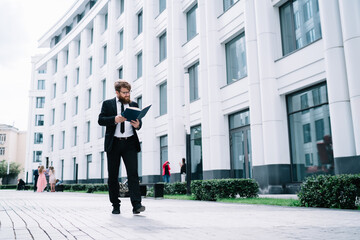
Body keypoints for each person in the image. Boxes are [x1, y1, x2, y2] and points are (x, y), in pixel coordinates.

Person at [98, 80, 145, 215]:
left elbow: (139, 122)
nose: (127, 95)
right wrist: (114, 119)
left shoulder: (134, 104)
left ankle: (137, 205)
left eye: (128, 92)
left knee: (133, 174)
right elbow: (100, 120)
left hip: (130, 142)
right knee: (113, 176)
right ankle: (115, 205)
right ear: (117, 92)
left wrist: (138, 125)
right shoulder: (108, 104)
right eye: (124, 92)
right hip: (114, 143)